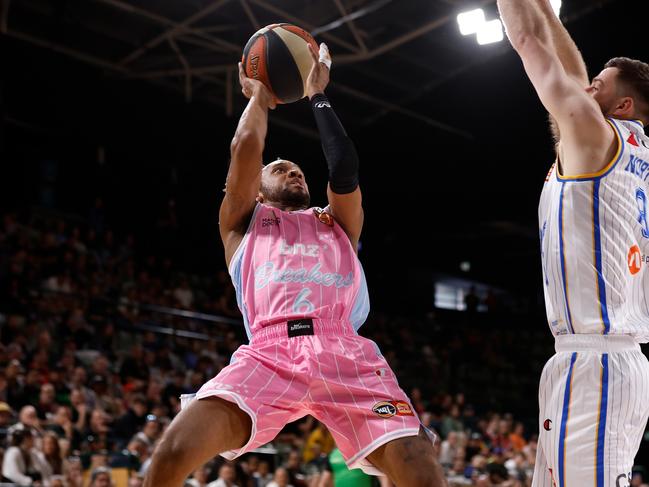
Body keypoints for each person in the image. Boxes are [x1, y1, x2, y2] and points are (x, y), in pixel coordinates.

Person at [143, 43, 446, 487]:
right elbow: (245, 145)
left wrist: (317, 95)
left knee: (421, 467)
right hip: (269, 354)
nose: (293, 171)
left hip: (344, 350)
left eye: (297, 168)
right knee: (172, 452)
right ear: (259, 190)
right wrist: (259, 98)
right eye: (280, 168)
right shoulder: (243, 224)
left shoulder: (337, 221)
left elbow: (343, 165)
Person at [496, 0, 649, 485]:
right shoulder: (624, 149)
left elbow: (528, 43)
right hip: (593, 358)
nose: (585, 89)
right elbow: (572, 70)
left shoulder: (595, 137)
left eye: (598, 88)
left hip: (597, 361)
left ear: (622, 106)